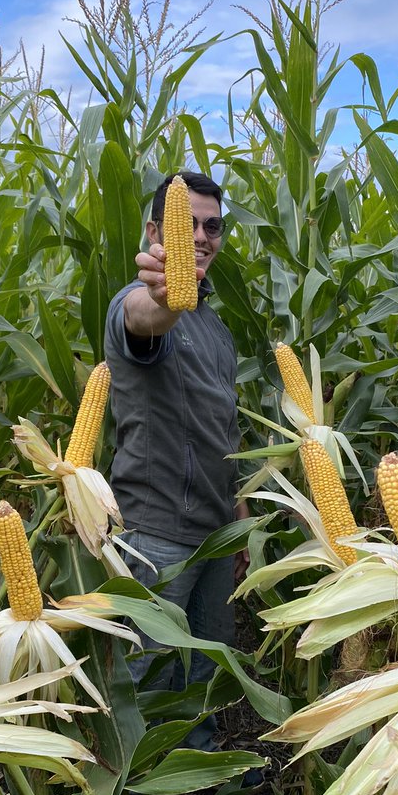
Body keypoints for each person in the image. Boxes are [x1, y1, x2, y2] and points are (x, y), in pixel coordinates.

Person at [104, 171, 249, 751]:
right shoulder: (135, 303)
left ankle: (203, 779)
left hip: (216, 535)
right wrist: (165, 299)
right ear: (153, 231)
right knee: (147, 684)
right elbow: (145, 318)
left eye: (212, 226)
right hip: (158, 534)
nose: (201, 237)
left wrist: (238, 516)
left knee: (205, 680)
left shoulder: (215, 328)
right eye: (185, 224)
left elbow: (223, 425)